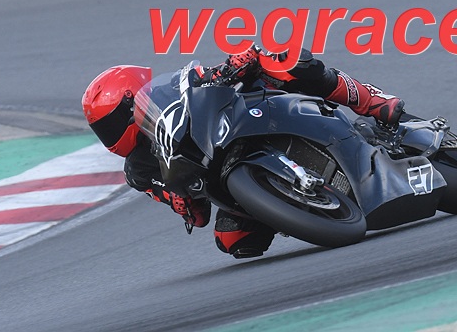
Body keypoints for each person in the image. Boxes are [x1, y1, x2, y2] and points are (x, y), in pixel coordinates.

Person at [81, 45, 404, 259]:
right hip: (224, 176)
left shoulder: (173, 88)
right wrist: (180, 200)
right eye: (102, 128)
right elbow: (197, 215)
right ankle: (293, 202)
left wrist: (235, 64)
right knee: (233, 240)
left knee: (289, 61)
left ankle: (373, 101)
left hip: (256, 114)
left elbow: (209, 78)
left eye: (111, 122)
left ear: (131, 101)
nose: (110, 133)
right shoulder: (139, 169)